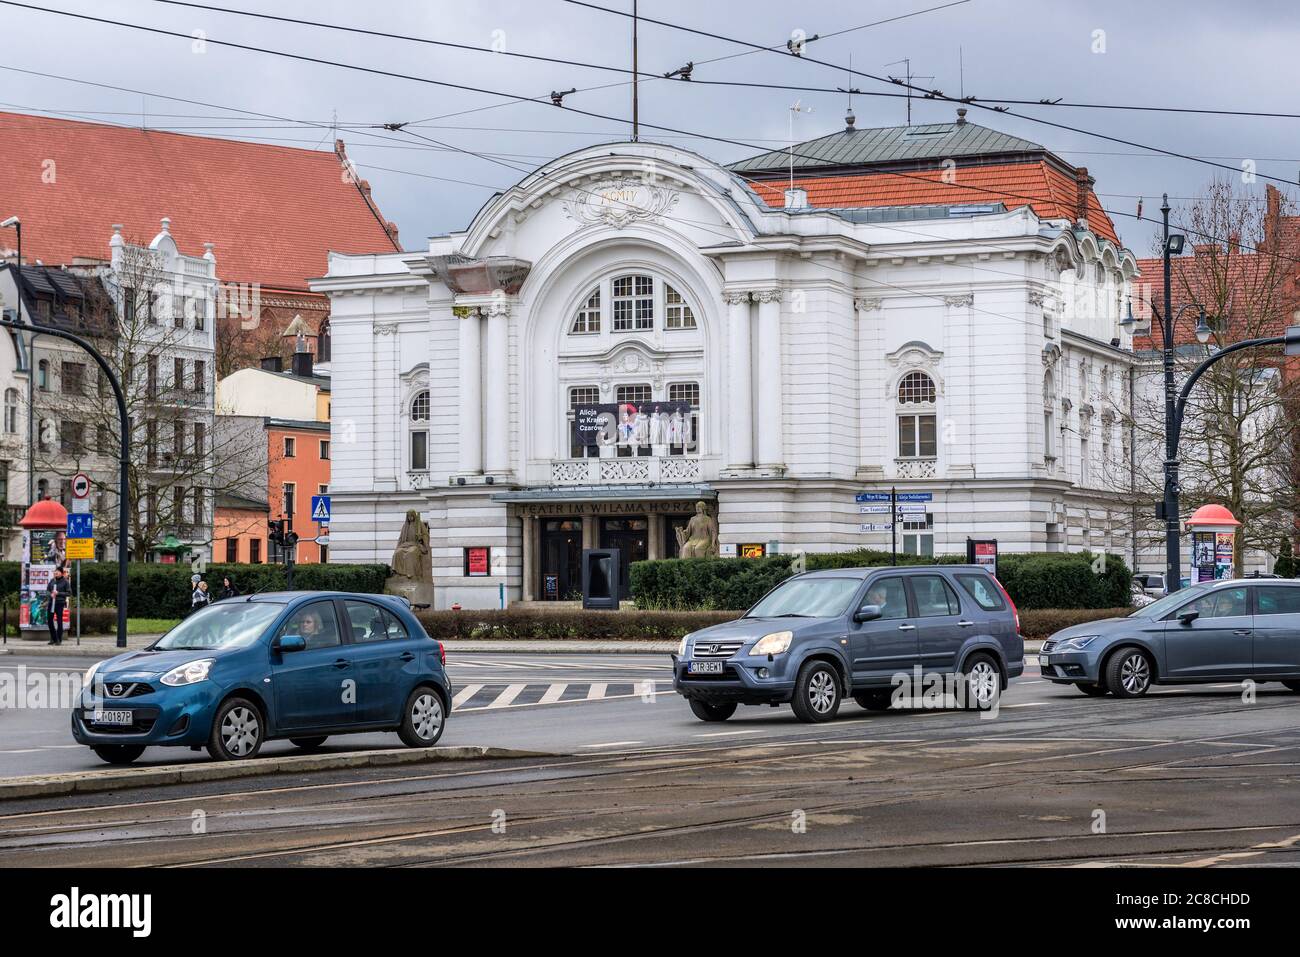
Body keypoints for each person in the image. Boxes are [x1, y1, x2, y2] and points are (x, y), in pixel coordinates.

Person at [46, 566, 70, 645]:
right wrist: (50, 595)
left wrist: (58, 593)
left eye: (58, 571)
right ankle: (53, 638)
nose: (56, 572)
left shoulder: (65, 582)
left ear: (61, 573)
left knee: (59, 621)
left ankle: (59, 639)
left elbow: (69, 593)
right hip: (51, 603)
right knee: (49, 620)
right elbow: (47, 591)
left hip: (59, 603)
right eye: (55, 571)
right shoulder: (52, 581)